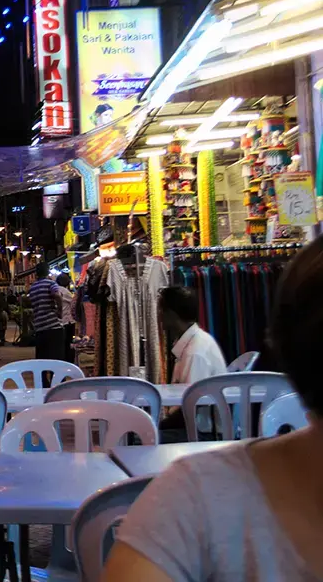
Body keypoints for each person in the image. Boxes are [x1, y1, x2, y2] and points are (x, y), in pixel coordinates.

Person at [102, 236, 323, 582]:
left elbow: (194, 407)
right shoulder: (191, 503)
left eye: (162, 314)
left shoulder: (188, 501)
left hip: (202, 432)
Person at [156, 285, 227, 442]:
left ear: (171, 315)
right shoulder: (195, 342)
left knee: (139, 440)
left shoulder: (195, 352)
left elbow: (191, 407)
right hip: (196, 429)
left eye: (161, 311)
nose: (159, 316)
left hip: (202, 434)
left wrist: (155, 426)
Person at [28, 262, 65, 364]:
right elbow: (57, 295)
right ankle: (58, 378)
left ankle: (43, 379)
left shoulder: (33, 287)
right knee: (57, 356)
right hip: (53, 326)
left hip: (39, 326)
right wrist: (59, 311)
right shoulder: (51, 284)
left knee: (42, 357)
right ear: (48, 272)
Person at [56, 273, 75, 363]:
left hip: (58, 321)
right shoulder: (66, 292)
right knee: (68, 343)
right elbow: (73, 304)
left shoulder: (55, 290)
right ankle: (68, 361)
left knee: (60, 344)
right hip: (67, 321)